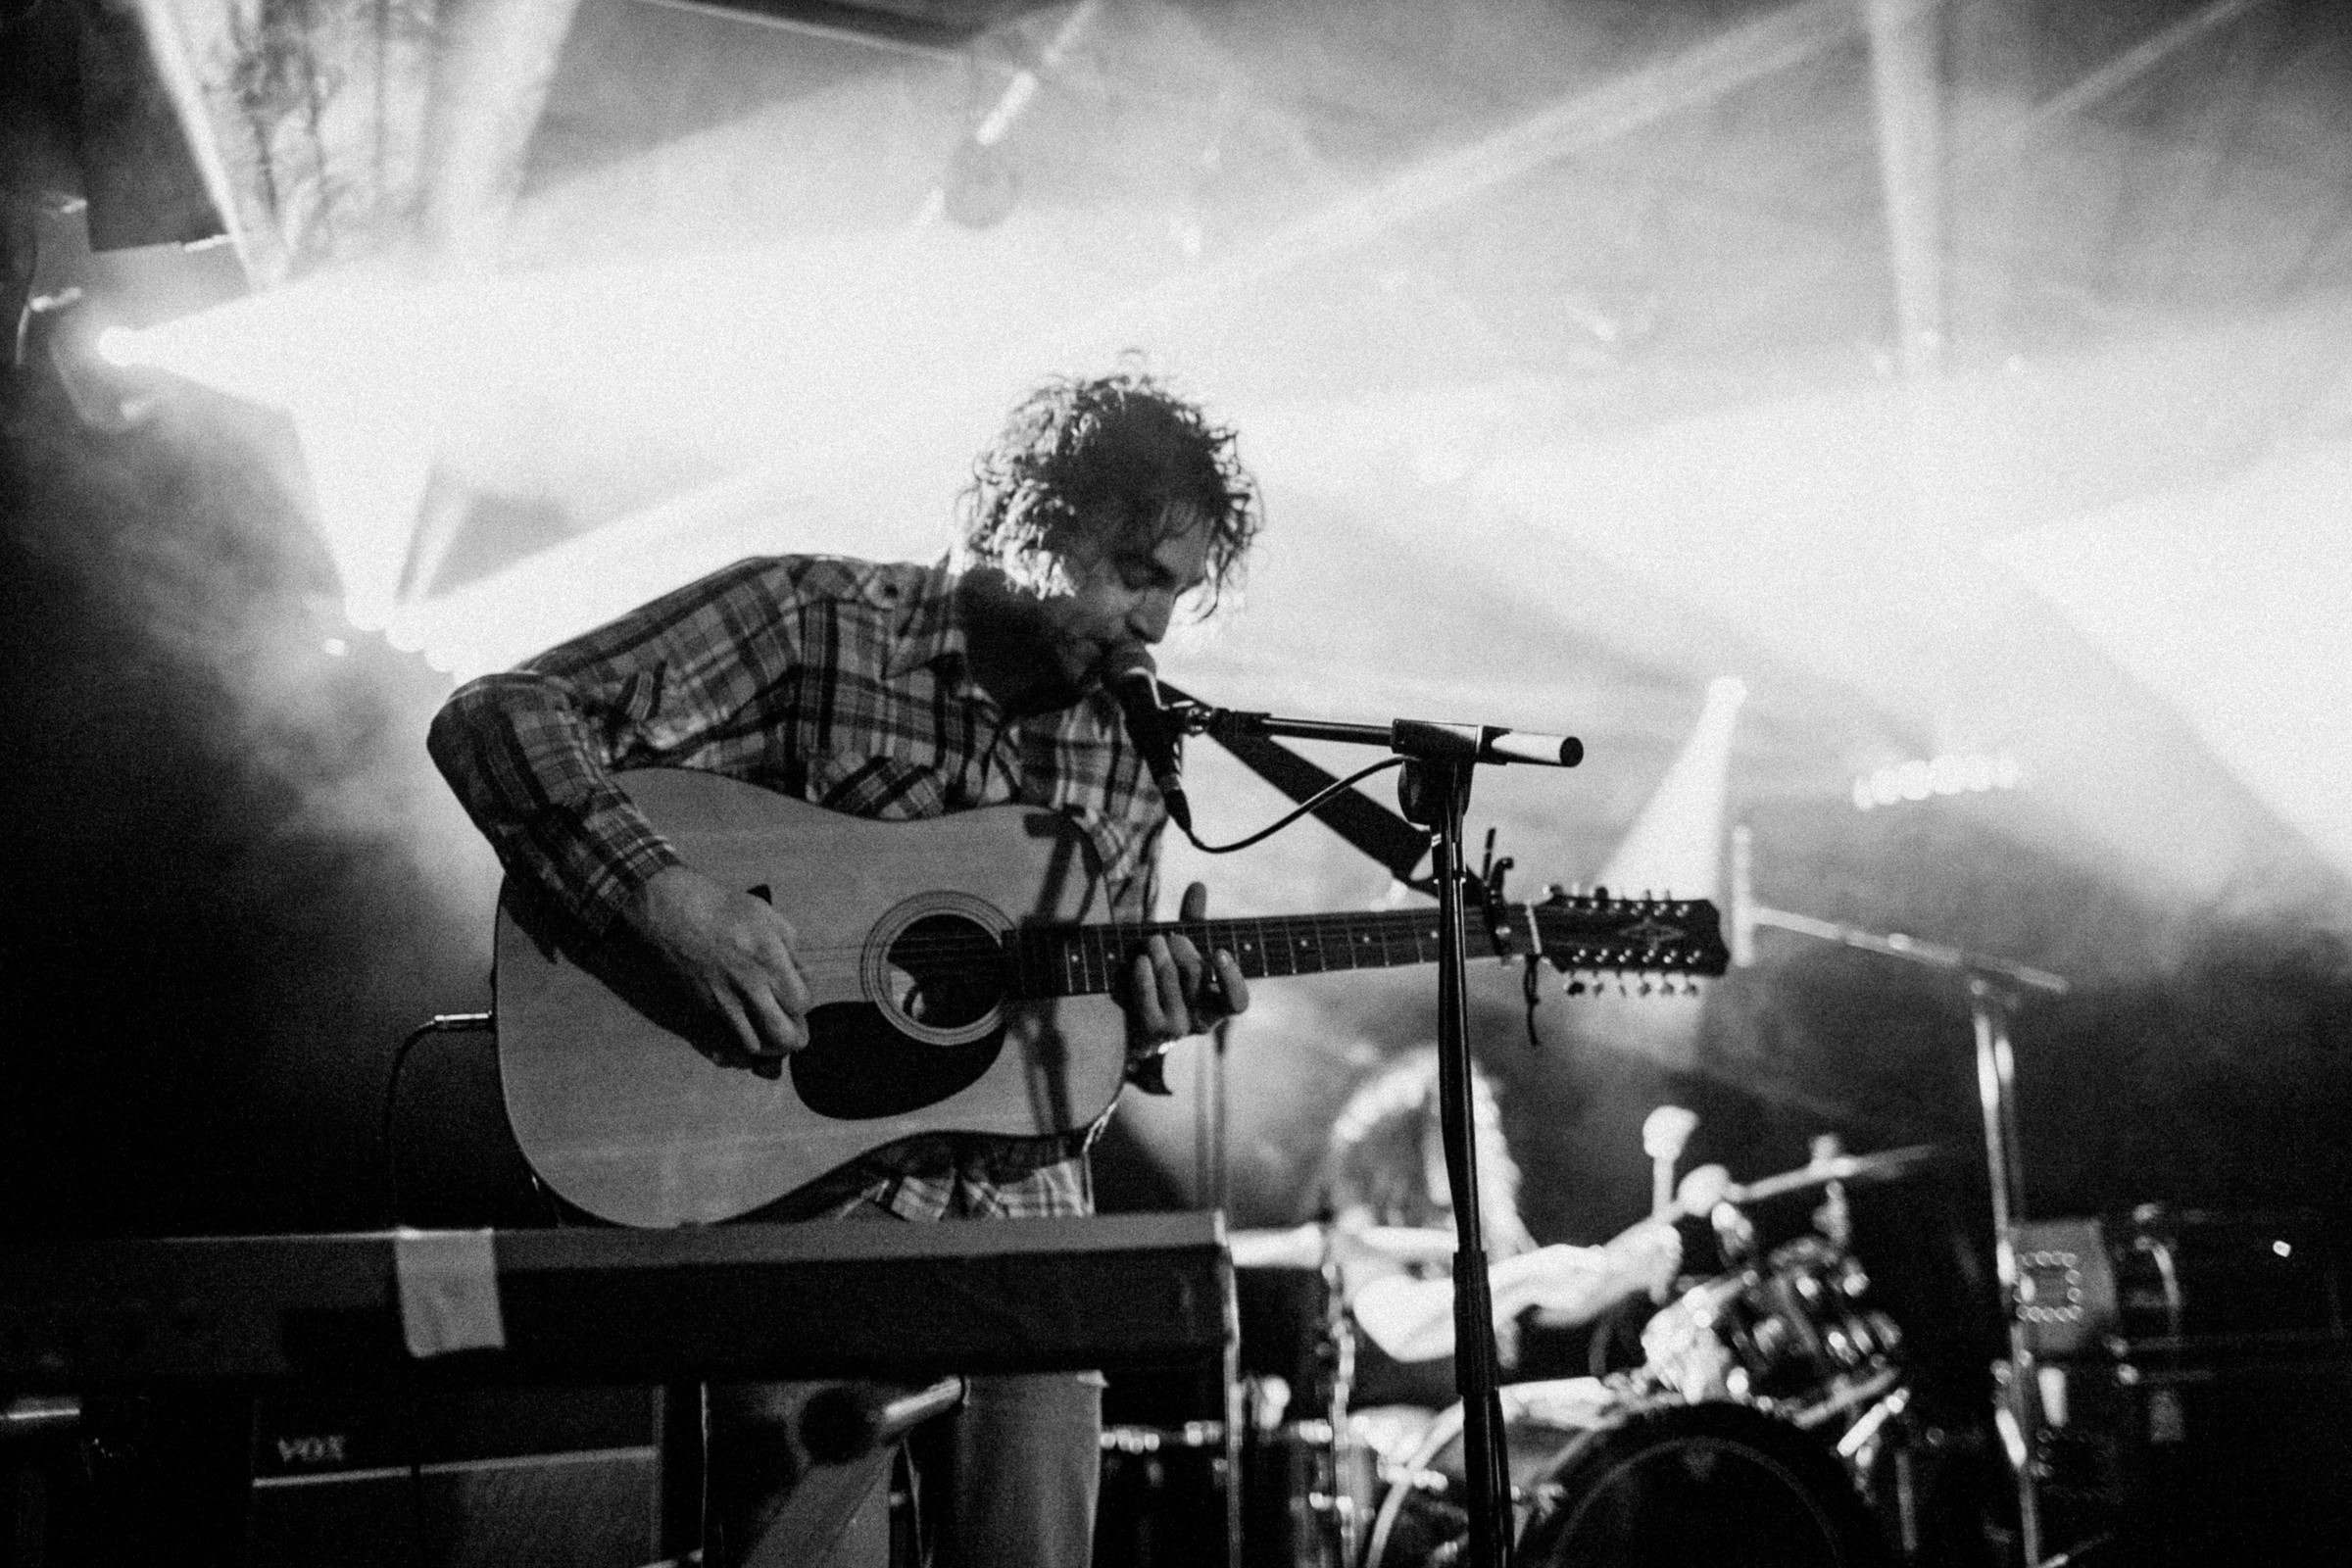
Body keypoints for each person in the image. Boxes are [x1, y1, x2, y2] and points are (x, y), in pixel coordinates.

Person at [427, 365, 1262, 1568]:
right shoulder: (815, 624)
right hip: (805, 1223)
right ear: (1037, 524)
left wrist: (1147, 1019)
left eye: (1178, 592)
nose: (1155, 624)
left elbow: (1055, 1058)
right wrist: (665, 900)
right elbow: (498, 716)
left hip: (1025, 1248)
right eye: (1136, 572)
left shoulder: (1133, 759)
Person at [1310, 1046, 1680, 1413]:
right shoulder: (1360, 1210)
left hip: (1471, 1425)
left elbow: (1550, 1299)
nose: (1479, 1133)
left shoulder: (1488, 1221)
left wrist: (1629, 1270)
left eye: (1483, 1117)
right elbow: (1402, 1329)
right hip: (1390, 1435)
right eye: (1459, 1116)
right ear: (1409, 1131)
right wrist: (1530, 1274)